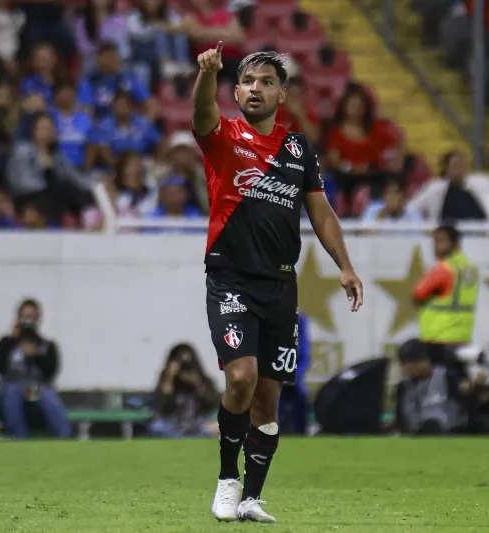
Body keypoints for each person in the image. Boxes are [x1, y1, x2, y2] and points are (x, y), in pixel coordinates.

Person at [192, 44, 363, 523]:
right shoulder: (223, 137)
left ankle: (251, 498)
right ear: (237, 90)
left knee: (268, 399)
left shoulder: (297, 149)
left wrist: (344, 265)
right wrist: (207, 75)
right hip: (231, 278)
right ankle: (228, 479)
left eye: (266, 81)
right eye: (247, 81)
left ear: (281, 94)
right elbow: (202, 111)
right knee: (241, 378)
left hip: (280, 287)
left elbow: (321, 212)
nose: (255, 88)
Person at [0, 299, 71, 439]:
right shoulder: (7, 342)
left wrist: (35, 356)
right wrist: (11, 340)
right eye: (25, 316)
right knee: (12, 391)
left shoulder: (47, 345)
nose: (28, 321)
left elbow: (51, 372)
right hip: (12, 387)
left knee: (48, 395)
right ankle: (18, 437)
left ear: (38, 319)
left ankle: (65, 436)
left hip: (36, 390)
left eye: (32, 317)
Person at [413, 225, 479, 364]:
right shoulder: (471, 268)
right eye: (435, 242)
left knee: (440, 381)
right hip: (462, 336)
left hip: (439, 336)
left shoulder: (444, 268)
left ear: (455, 244)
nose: (436, 247)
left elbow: (418, 293)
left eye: (441, 241)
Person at [150, 343, 219, 438]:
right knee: (156, 427)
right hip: (171, 424)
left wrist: (197, 384)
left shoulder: (204, 380)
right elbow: (162, 405)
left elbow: (212, 404)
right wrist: (169, 377)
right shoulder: (167, 379)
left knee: (218, 426)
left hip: (197, 423)